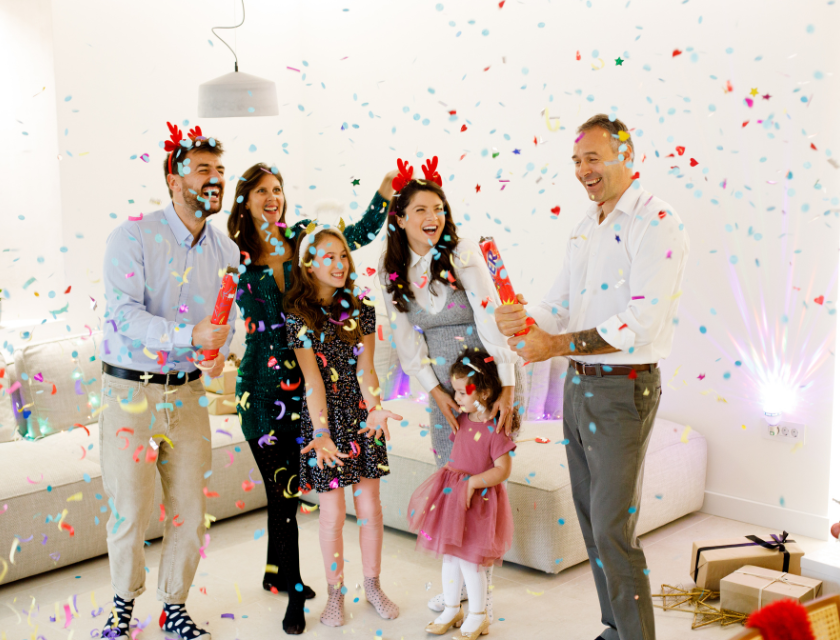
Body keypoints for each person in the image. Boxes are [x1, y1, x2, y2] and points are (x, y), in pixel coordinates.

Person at [495, 114, 690, 640]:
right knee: (590, 520)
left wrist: (554, 344)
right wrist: (523, 319)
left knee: (612, 528)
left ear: (628, 157)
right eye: (577, 160)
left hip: (623, 389)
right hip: (578, 386)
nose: (584, 170)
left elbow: (641, 320)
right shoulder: (587, 225)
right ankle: (614, 628)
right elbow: (560, 304)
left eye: (594, 158)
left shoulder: (657, 220)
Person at [227, 165, 395, 634]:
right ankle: (300, 590)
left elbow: (351, 238)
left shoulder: (306, 239)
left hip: (320, 393)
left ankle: (291, 573)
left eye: (277, 189)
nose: (272, 197)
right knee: (284, 493)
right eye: (261, 191)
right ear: (245, 200)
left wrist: (383, 193)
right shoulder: (235, 255)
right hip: (263, 387)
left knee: (333, 501)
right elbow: (214, 305)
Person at [98, 123, 239, 640]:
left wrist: (215, 355)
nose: (215, 179)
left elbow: (224, 328)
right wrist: (190, 334)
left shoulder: (228, 254)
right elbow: (124, 317)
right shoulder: (132, 236)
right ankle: (121, 610)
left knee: (190, 510)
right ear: (173, 179)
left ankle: (173, 607)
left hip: (187, 394)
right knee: (131, 511)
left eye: (220, 170)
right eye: (203, 169)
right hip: (129, 393)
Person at [379, 157, 522, 620]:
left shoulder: (462, 255)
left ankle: (481, 591)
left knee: (481, 481)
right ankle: (457, 590)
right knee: (452, 476)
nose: (432, 219)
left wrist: (506, 384)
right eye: (420, 210)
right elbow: (404, 337)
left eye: (438, 208)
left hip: (482, 372)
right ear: (400, 218)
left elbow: (490, 314)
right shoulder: (391, 267)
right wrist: (433, 390)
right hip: (443, 383)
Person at [285, 226, 403, 628]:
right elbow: (313, 382)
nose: (339, 264)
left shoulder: (362, 306)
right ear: (308, 264)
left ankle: (373, 585)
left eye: (343, 256)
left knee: (369, 508)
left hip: (359, 413)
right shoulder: (298, 316)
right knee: (332, 514)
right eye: (329, 256)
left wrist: (375, 407)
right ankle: (336, 594)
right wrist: (321, 433)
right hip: (324, 420)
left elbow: (365, 367)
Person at [407, 352, 515, 639]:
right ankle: (452, 607)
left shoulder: (497, 428)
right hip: (453, 497)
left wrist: (472, 483)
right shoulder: (463, 418)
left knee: (470, 561)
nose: (456, 397)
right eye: (454, 390)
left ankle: (478, 615)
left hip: (478, 502)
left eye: (460, 391)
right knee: (450, 558)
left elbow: (503, 470)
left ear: (485, 391)